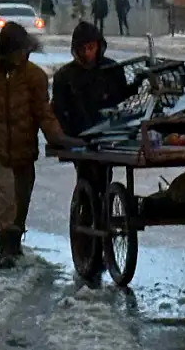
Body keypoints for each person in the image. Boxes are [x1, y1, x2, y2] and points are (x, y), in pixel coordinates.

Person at [0, 22, 82, 269]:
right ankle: (6, 248)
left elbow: (43, 112)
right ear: (7, 51)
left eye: (24, 51)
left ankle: (15, 240)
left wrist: (57, 136)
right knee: (6, 195)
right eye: (17, 51)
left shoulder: (34, 76)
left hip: (25, 147)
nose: (21, 56)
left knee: (22, 197)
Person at [51, 21, 138, 276]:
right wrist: (71, 138)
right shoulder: (65, 77)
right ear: (76, 50)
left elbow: (123, 98)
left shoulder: (111, 69)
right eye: (84, 48)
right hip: (82, 140)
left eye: (93, 47)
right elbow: (60, 111)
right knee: (90, 182)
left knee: (105, 181)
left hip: (110, 136)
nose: (89, 53)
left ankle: (103, 231)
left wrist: (138, 86)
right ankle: (88, 241)